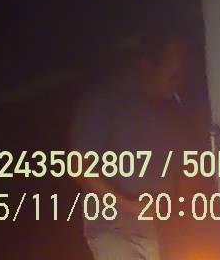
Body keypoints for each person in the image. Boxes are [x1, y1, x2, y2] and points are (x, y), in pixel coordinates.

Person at [70, 24, 193, 260]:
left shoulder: (173, 111)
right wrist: (130, 205)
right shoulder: (106, 102)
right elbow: (80, 167)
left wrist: (185, 209)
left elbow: (186, 168)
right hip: (116, 229)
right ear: (147, 66)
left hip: (163, 230)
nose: (179, 83)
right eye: (172, 75)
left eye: (182, 75)